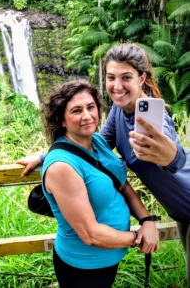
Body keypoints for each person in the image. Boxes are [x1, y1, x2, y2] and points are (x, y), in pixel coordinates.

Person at [17, 44, 190, 284]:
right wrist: (46, 157)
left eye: (126, 77)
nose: (117, 87)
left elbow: (177, 158)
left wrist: (171, 157)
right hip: (180, 210)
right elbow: (90, 146)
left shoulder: (155, 119)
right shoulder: (119, 112)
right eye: (111, 78)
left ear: (142, 78)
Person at [36, 79, 158, 288]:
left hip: (109, 257)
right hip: (84, 267)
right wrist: (138, 236)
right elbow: (90, 234)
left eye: (91, 107)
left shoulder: (97, 141)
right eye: (76, 110)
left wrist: (146, 219)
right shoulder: (62, 167)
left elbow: (122, 185)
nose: (87, 116)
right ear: (62, 120)